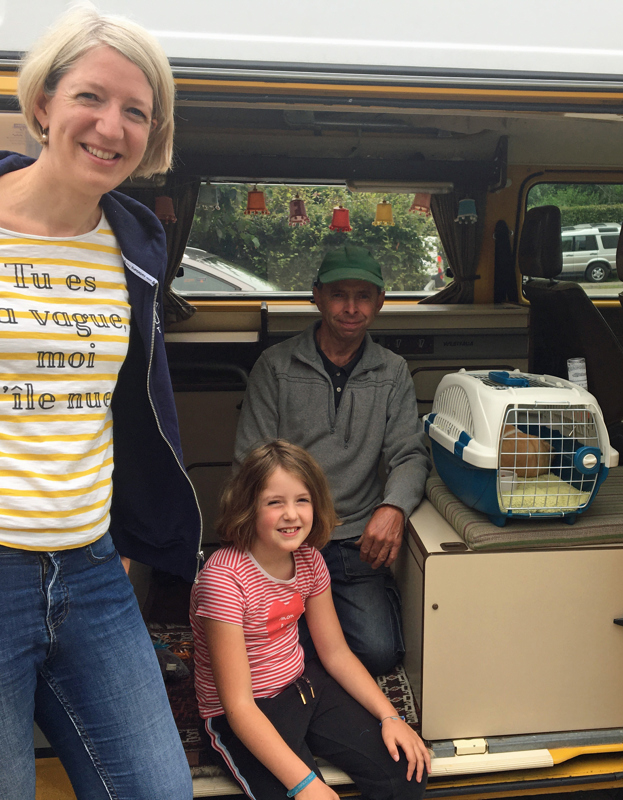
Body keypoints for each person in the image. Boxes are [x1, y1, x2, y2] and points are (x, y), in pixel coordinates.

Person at [0, 7, 200, 798]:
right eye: (91, 96)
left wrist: (118, 528)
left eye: (137, 112)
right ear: (43, 102)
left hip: (89, 572)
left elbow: (119, 402)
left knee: (160, 790)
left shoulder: (133, 239)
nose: (111, 126)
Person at [191, 440, 430, 800]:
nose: (292, 514)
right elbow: (238, 704)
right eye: (275, 502)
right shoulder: (223, 579)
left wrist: (391, 717)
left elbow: (335, 653)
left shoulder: (310, 562)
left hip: (302, 685)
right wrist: (304, 785)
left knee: (407, 771)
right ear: (247, 508)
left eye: (302, 500)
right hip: (243, 713)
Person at [234, 246, 430, 675]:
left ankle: (350, 611)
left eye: (364, 296)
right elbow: (252, 461)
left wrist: (393, 506)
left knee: (378, 654)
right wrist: (279, 532)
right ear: (317, 297)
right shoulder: (276, 365)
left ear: (380, 302)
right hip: (285, 537)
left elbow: (410, 453)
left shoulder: (393, 371)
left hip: (353, 540)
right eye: (339, 294)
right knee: (268, 657)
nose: (351, 308)